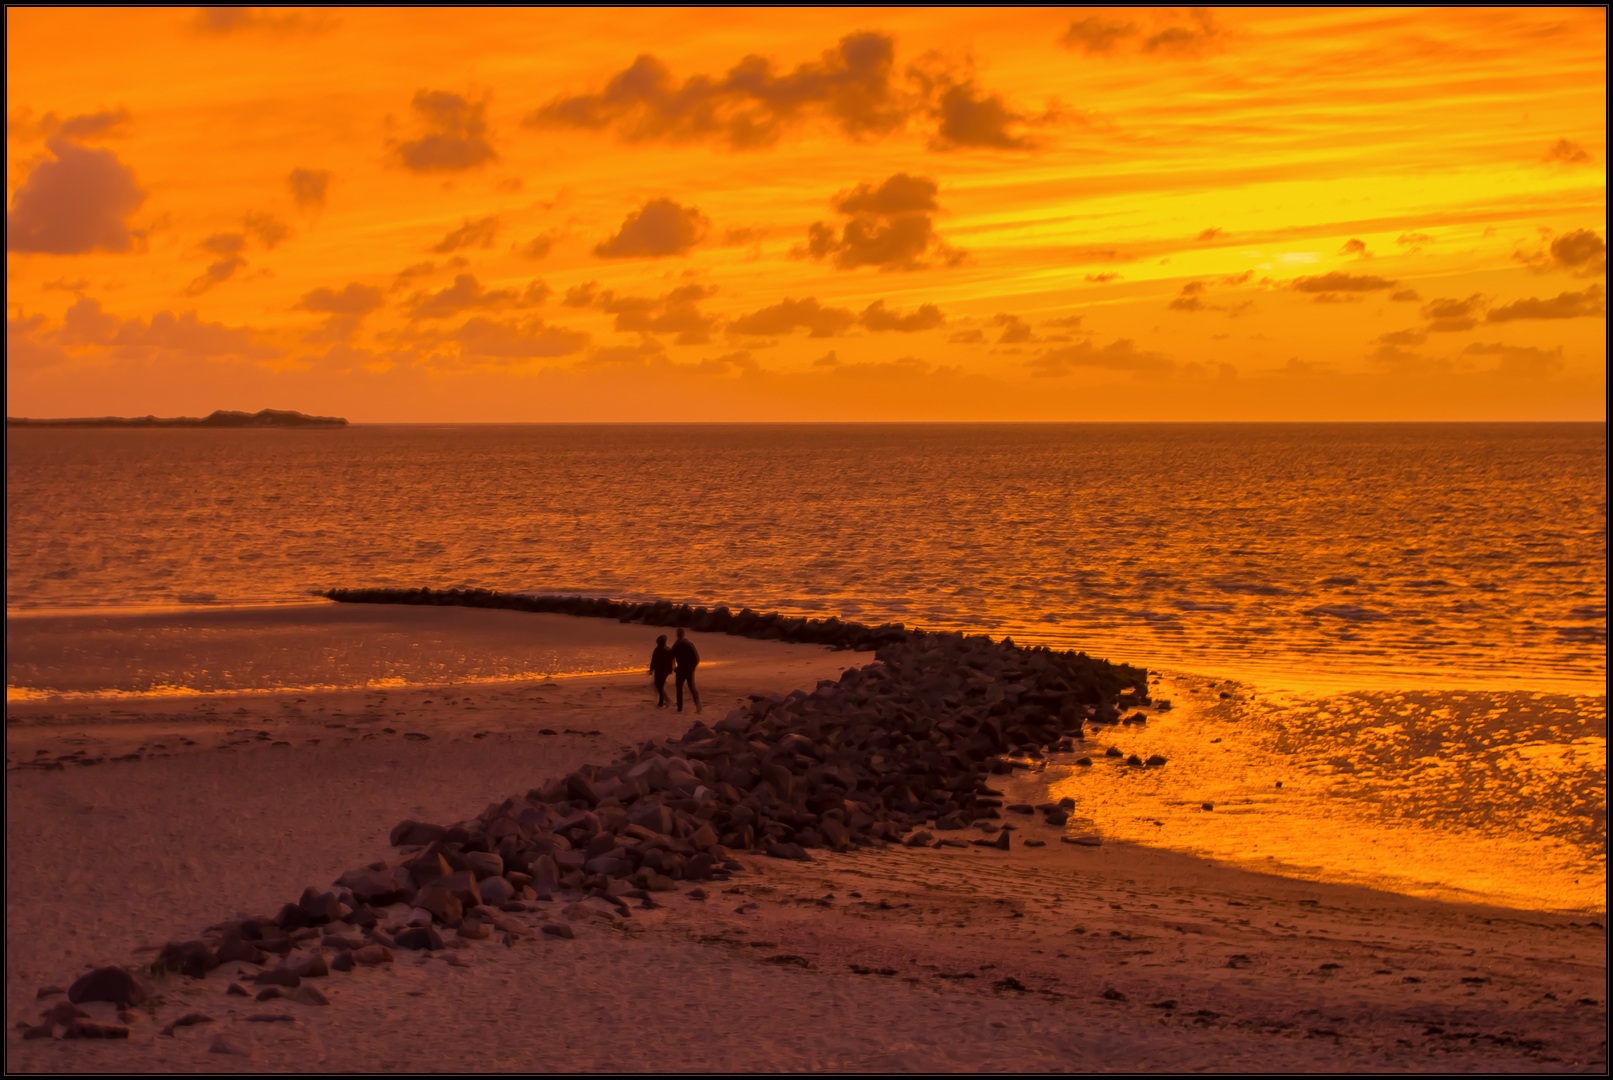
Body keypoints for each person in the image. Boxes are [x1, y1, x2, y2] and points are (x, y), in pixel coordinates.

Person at [670, 627, 702, 713]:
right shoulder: (689, 644)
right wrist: (693, 668)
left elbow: (671, 658)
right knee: (691, 687)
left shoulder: (676, 645)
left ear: (677, 635)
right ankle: (698, 705)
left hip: (681, 669)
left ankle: (680, 708)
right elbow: (697, 658)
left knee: (679, 689)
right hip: (689, 669)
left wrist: (674, 668)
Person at [648, 634, 675, 708]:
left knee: (658, 686)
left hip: (659, 670)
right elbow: (672, 661)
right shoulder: (668, 650)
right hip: (665, 671)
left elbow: (653, 661)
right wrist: (671, 669)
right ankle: (664, 701)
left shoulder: (657, 650)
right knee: (660, 686)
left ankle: (663, 701)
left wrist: (651, 669)